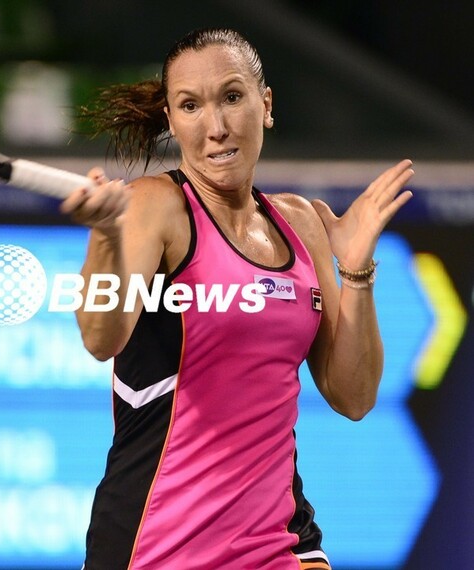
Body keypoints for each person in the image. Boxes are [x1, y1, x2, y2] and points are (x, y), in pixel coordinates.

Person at [60, 28, 413, 570]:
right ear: (172, 121)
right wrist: (107, 237)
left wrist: (357, 271)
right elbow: (99, 337)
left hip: (282, 543)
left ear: (264, 104)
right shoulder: (155, 206)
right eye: (190, 106)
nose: (216, 127)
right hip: (159, 545)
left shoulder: (301, 223)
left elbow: (354, 396)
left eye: (231, 97)